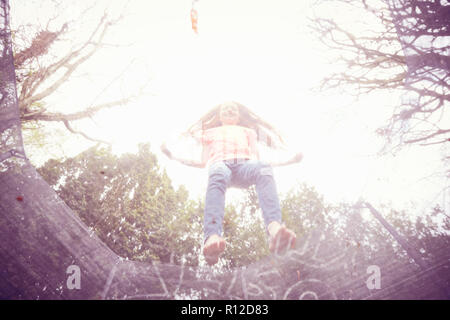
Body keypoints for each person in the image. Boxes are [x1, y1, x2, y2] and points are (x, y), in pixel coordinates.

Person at [161, 101, 302, 265]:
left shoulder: (249, 132)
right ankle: (212, 236)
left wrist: (289, 161)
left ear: (239, 116)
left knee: (263, 168)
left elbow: (259, 160)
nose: (229, 109)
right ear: (219, 116)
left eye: (233, 108)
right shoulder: (210, 133)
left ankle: (274, 229)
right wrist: (173, 156)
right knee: (218, 172)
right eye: (225, 108)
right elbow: (201, 161)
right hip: (221, 164)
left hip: (245, 166)